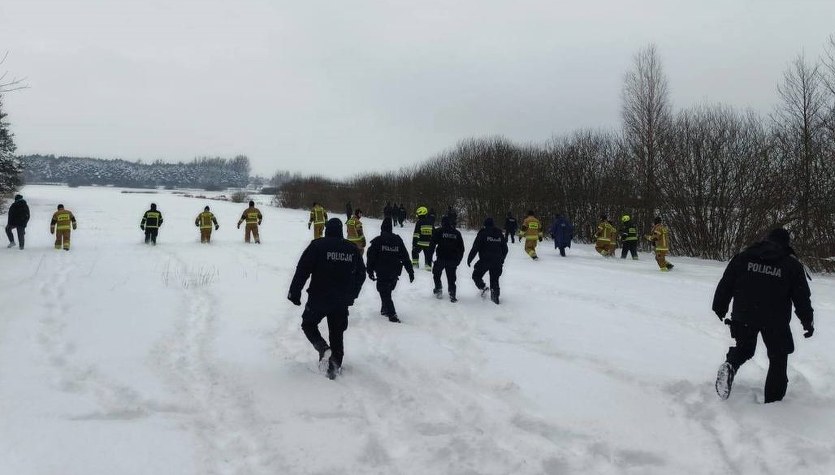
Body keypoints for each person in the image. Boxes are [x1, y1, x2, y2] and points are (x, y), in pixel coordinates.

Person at [712, 228, 814, 403]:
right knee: (778, 358)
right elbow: (801, 297)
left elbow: (726, 283)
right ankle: (773, 404)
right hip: (775, 321)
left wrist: (719, 306)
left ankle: (730, 365)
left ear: (766, 239)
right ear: (786, 243)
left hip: (744, 315)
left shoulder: (743, 257)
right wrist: (807, 321)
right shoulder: (792, 266)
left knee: (744, 348)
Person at [287, 218, 366, 379]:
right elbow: (361, 274)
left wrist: (295, 292)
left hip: (319, 297)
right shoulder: (351, 249)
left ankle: (322, 348)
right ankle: (334, 367)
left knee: (308, 324)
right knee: (337, 333)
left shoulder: (317, 245)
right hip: (341, 300)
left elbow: (302, 269)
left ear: (326, 230)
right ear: (341, 232)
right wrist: (352, 294)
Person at [366, 217, 414, 322]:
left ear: (382, 228)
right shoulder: (397, 240)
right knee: (387, 291)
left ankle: (392, 314)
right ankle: (384, 309)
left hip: (382, 272)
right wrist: (410, 271)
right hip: (394, 273)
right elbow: (405, 257)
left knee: (384, 292)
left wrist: (369, 270)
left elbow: (371, 257)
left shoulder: (378, 241)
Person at [467, 217, 508, 304]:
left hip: (485, 261)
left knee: (476, 276)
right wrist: (502, 259)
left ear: (485, 225)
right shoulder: (499, 233)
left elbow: (475, 248)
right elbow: (505, 249)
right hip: (497, 262)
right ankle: (495, 298)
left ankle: (483, 288)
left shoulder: (483, 233)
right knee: (494, 280)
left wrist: (469, 259)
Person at [430, 216, 465, 302]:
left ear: (442, 223)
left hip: (441, 258)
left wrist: (429, 257)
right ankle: (452, 294)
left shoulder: (439, 231)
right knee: (451, 278)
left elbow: (432, 244)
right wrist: (458, 260)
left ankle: (438, 289)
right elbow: (462, 248)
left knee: (436, 274)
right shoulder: (457, 233)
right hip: (452, 260)